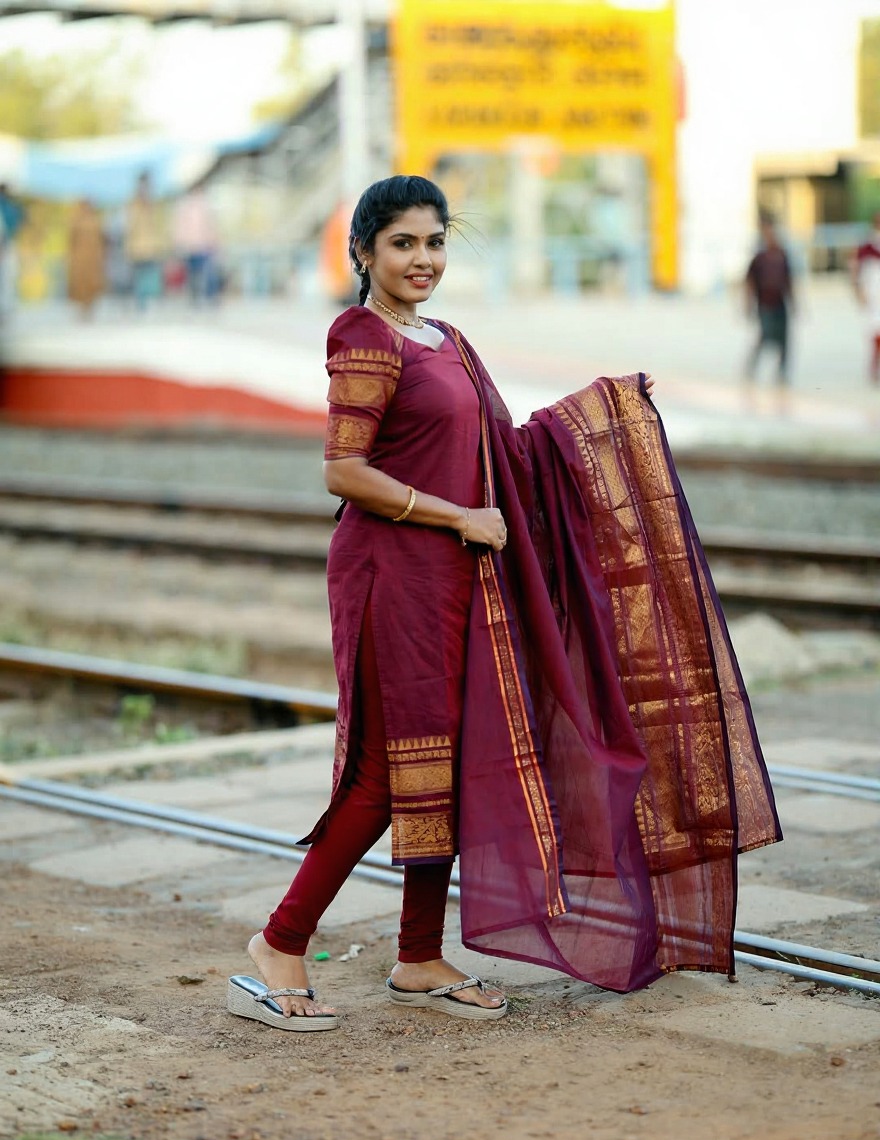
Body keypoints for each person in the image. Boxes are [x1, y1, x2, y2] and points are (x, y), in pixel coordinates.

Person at [227, 176, 782, 1032]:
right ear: (364, 252)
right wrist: (456, 517)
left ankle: (418, 958)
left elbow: (502, 455)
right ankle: (281, 943)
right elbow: (342, 471)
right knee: (386, 774)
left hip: (457, 580)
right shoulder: (365, 337)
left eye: (435, 242)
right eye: (403, 244)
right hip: (394, 578)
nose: (423, 260)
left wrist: (600, 422)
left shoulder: (448, 339)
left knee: (448, 764)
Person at [745, 215, 794, 385]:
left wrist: (794, 302)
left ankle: (782, 372)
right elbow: (750, 281)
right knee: (764, 337)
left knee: (784, 340)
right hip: (764, 304)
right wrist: (748, 303)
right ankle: (752, 366)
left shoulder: (782, 254)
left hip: (780, 303)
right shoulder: (759, 257)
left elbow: (789, 279)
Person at [171, 179, 219, 306]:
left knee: (205, 272)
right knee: (193, 273)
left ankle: (207, 297)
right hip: (190, 245)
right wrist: (179, 243)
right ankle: (195, 298)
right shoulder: (185, 205)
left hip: (203, 244)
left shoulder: (205, 204)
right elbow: (181, 226)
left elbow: (211, 225)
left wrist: (214, 241)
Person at [125, 172, 164, 311]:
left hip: (151, 246)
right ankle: (141, 304)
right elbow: (130, 227)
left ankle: (148, 302)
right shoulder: (134, 205)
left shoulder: (154, 204)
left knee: (151, 276)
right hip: (138, 246)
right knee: (140, 276)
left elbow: (158, 226)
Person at [850, 210, 880, 384]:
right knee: (874, 331)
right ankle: (874, 365)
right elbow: (856, 270)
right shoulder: (867, 246)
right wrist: (858, 291)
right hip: (873, 295)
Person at [67, 199, 106, 319]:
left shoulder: (96, 220)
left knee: (92, 282)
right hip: (80, 256)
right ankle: (82, 309)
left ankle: (90, 307)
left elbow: (101, 240)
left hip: (93, 257)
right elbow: (71, 240)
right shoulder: (76, 220)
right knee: (80, 283)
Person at [0, 183, 25, 321]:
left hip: (6, 246)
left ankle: (4, 310)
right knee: (6, 281)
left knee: (6, 280)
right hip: (6, 247)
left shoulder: (10, 207)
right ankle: (4, 310)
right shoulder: (10, 207)